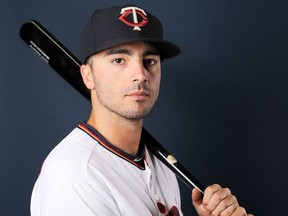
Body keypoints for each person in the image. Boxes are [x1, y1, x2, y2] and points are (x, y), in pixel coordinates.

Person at [30, 4, 253, 216]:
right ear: (88, 75)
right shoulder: (76, 178)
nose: (140, 74)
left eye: (149, 61)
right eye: (119, 60)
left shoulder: (160, 165)